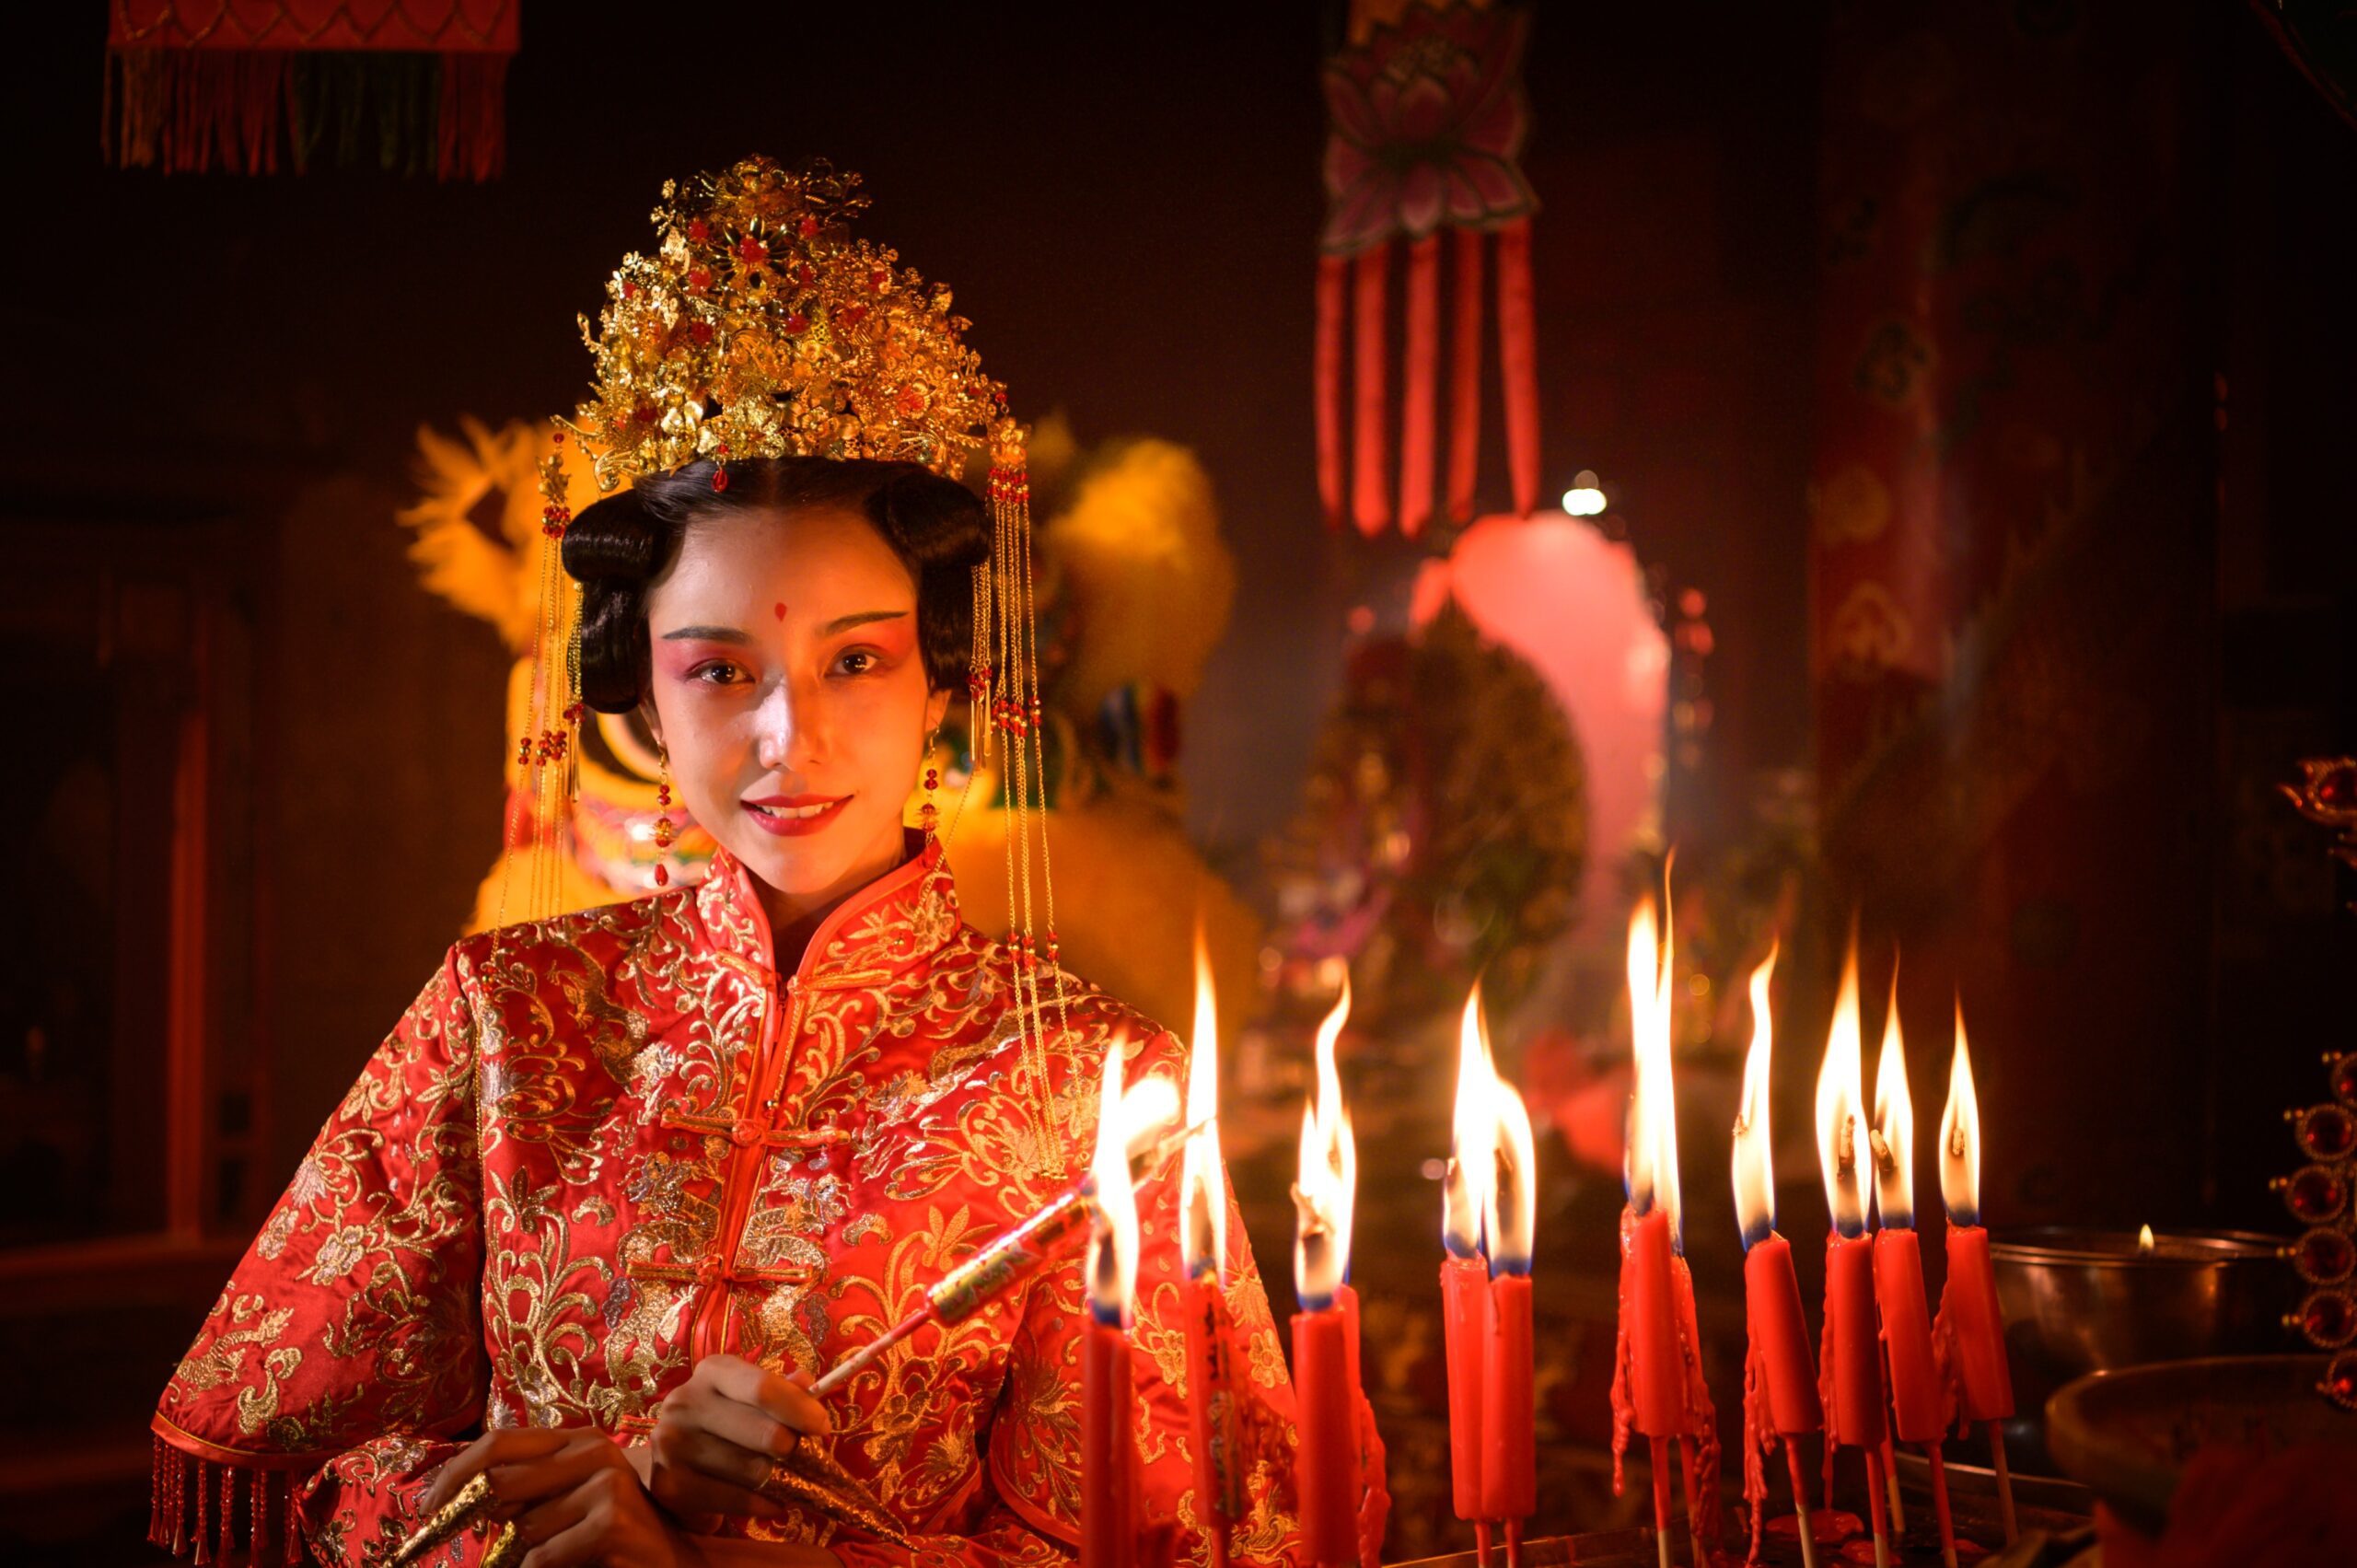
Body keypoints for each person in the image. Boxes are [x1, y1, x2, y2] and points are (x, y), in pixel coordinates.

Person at [149, 157, 1369, 1568]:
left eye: (856, 659)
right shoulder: (503, 1017)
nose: (791, 734)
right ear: (643, 700)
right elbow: (281, 1458)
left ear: (943, 685)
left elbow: (1207, 1541)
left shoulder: (1096, 1092)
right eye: (721, 669)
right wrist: (510, 1511)